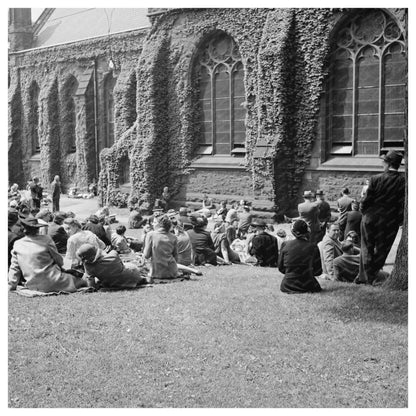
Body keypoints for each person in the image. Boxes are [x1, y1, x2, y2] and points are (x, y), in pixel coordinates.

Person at [355, 150, 405, 285]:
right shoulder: (404, 181)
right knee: (382, 250)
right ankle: (370, 275)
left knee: (366, 247)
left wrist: (365, 212)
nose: (382, 164)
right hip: (390, 221)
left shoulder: (376, 179)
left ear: (388, 164)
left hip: (370, 217)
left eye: (384, 162)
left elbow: (366, 200)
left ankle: (365, 277)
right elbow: (403, 203)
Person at [8, 216, 86, 293]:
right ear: (37, 229)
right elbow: (60, 261)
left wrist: (11, 286)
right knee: (83, 279)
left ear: (24, 229)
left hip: (33, 285)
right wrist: (69, 267)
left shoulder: (17, 244)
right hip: (54, 280)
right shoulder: (46, 239)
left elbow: (14, 268)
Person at [76, 243, 147, 289]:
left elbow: (91, 285)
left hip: (111, 283)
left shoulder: (90, 267)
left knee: (98, 279)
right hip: (132, 277)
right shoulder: (113, 254)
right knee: (130, 265)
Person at [279, 219, 322, 294]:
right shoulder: (313, 246)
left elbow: (281, 268)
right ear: (307, 231)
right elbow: (318, 271)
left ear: (293, 232)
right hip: (309, 285)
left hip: (287, 285)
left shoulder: (285, 244)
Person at [143, 214, 179, 279]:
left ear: (159, 224)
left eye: (154, 222)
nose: (152, 224)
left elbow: (146, 255)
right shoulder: (174, 237)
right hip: (172, 272)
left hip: (157, 272)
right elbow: (176, 256)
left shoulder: (151, 235)